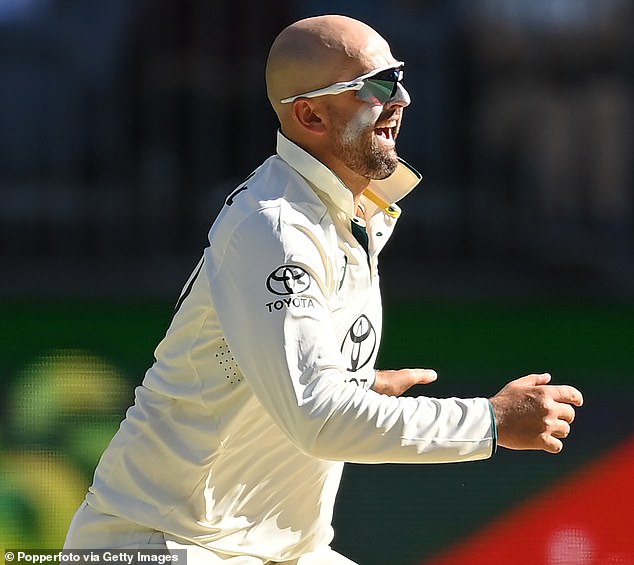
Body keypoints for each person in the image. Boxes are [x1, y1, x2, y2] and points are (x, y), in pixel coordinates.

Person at [64, 14, 583, 565]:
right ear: (310, 114)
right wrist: (492, 422)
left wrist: (358, 383)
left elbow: (294, 387)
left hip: (274, 549)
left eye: (398, 76)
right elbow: (321, 418)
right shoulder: (278, 227)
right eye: (375, 86)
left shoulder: (347, 213)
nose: (401, 98)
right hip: (161, 544)